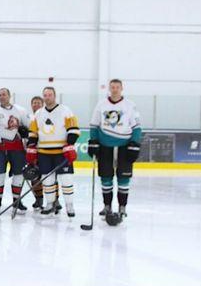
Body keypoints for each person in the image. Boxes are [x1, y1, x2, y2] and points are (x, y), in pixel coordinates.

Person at [88, 79, 142, 222]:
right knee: (106, 177)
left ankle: (122, 207)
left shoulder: (130, 105)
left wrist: (135, 143)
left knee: (124, 178)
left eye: (117, 87)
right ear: (109, 88)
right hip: (105, 146)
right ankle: (107, 206)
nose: (115, 89)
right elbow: (94, 124)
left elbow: (137, 127)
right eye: (112, 87)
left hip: (125, 146)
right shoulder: (101, 104)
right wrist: (93, 141)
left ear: (121, 88)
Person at [27, 86, 81, 217]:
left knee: (66, 179)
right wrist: (31, 146)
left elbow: (73, 129)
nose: (47, 97)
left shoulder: (65, 110)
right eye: (45, 95)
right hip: (44, 152)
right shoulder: (38, 113)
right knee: (47, 180)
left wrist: (70, 144)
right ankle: (50, 204)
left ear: (54, 96)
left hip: (61, 152)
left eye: (49, 95)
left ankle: (69, 205)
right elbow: (33, 132)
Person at [0, 88, 30, 211]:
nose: (2, 97)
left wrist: (26, 132)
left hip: (17, 148)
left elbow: (29, 126)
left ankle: (17, 200)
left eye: (4, 94)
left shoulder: (20, 110)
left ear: (9, 96)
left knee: (19, 174)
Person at [27, 95, 47, 209]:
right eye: (34, 103)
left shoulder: (46, 116)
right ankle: (38, 199)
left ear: (42, 104)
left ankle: (55, 200)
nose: (36, 104)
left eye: (38, 103)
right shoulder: (28, 117)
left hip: (45, 150)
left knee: (49, 176)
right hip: (32, 151)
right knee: (34, 175)